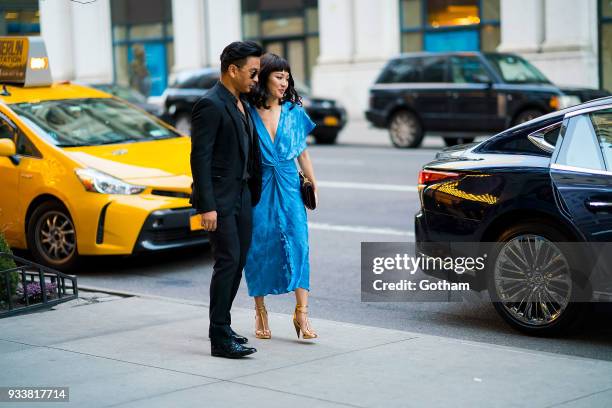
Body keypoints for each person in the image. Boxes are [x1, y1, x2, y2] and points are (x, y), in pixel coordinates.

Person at [190, 41, 263, 358]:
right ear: (232, 70)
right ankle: (218, 337)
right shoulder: (210, 104)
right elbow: (200, 158)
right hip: (219, 200)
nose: (255, 79)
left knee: (238, 262)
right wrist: (207, 206)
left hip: (243, 195)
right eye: (252, 72)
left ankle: (224, 325)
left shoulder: (240, 102)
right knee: (227, 261)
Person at [245, 53, 318, 340]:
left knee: (299, 243)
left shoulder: (293, 111)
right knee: (259, 246)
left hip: (289, 183)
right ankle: (260, 310)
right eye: (278, 77)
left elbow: (302, 150)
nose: (284, 83)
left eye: (287, 77)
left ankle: (302, 313)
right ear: (263, 78)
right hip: (259, 185)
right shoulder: (247, 112)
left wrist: (312, 182)